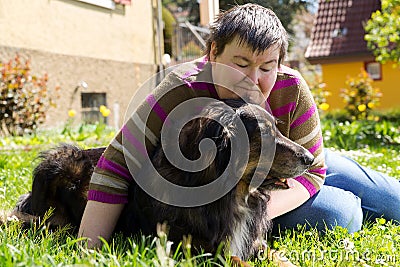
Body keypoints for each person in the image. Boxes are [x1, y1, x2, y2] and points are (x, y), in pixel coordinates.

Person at [78, 4, 400, 249]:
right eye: (240, 63)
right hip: (251, 188)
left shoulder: (291, 88)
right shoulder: (181, 89)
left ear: (279, 64)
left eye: (267, 67)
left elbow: (314, 170)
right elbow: (116, 166)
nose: (252, 79)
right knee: (341, 215)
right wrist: (88, 249)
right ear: (214, 53)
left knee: (390, 201)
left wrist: (247, 219)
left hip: (297, 163)